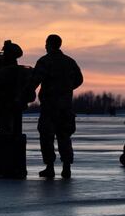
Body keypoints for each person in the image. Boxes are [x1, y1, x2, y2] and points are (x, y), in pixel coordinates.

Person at [27, 34, 83, 179]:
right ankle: (66, 167)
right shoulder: (69, 62)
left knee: (47, 136)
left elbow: (35, 80)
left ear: (49, 44)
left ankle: (50, 167)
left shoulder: (45, 61)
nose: (45, 46)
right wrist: (66, 89)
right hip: (65, 106)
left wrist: (26, 93)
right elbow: (79, 79)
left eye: (46, 44)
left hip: (50, 106)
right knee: (64, 136)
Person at [0, 40, 34, 136]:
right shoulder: (21, 71)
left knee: (4, 132)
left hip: (3, 106)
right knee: (14, 131)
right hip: (15, 106)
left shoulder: (6, 71)